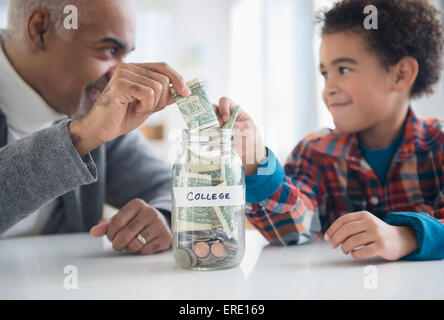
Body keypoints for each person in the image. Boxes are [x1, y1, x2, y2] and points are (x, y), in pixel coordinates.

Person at [214, 0, 444, 261]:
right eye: (325, 73)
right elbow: (291, 230)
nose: (328, 89)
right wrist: (255, 162)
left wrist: (408, 236)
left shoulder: (439, 145)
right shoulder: (314, 152)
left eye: (343, 70)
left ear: (401, 75)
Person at [0, 0, 192, 255]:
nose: (118, 77)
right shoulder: (89, 124)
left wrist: (164, 216)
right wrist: (81, 136)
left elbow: (175, 187)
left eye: (127, 56)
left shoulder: (89, 111)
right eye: (109, 50)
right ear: (40, 30)